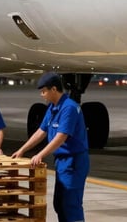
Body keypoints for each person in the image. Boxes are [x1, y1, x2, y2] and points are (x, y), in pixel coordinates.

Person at [12, 72, 89, 222]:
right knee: (59, 203)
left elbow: (61, 137)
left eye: (44, 91)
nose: (42, 95)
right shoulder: (53, 108)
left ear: (54, 89)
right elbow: (41, 131)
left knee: (70, 204)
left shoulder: (69, 108)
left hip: (73, 162)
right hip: (61, 162)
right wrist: (22, 150)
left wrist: (40, 154)